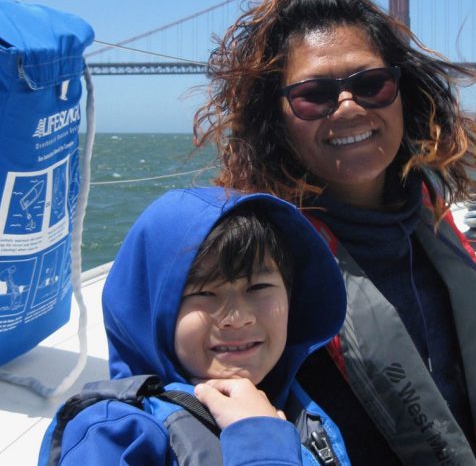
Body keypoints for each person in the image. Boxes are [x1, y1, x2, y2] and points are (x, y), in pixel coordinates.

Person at [194, 0, 476, 465]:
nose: (348, 107)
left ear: (401, 94)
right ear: (276, 119)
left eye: (371, 85)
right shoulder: (262, 259)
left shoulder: (431, 225)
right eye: (313, 94)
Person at [40, 187, 350, 465]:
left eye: (258, 288)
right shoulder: (114, 434)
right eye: (203, 293)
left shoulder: (296, 403)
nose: (238, 317)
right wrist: (261, 442)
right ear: (151, 310)